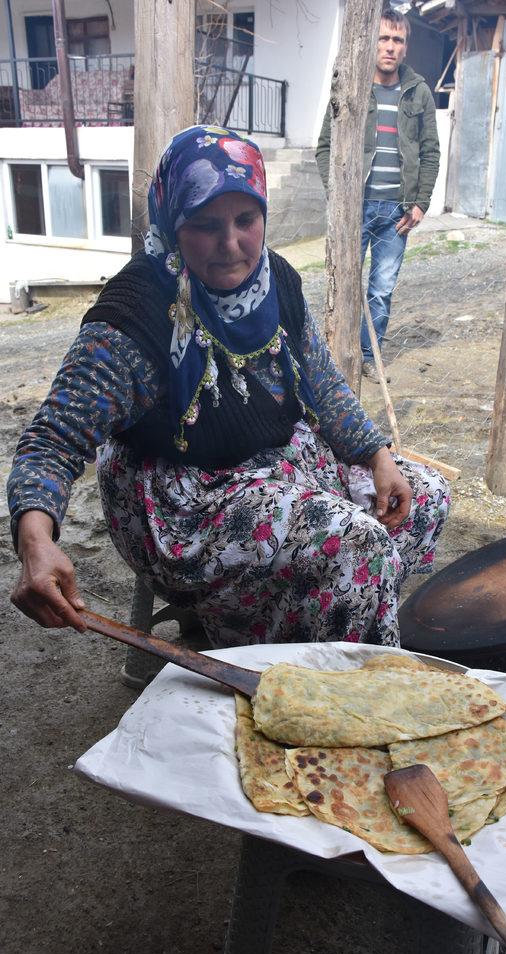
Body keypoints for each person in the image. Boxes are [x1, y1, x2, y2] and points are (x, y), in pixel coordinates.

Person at [8, 124, 450, 651]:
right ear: (173, 223)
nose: (231, 243)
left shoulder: (276, 280)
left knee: (421, 497)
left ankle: (304, 633)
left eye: (246, 220)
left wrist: (377, 456)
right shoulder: (137, 314)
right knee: (353, 543)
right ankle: (324, 683)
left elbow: (323, 381)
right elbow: (51, 441)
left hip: (277, 462)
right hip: (185, 501)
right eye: (204, 224)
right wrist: (35, 541)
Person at [315, 6, 440, 383]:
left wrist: (421, 203)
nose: (389, 47)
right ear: (371, 43)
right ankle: (337, 354)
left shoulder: (418, 92)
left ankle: (369, 356)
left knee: (381, 289)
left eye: (397, 40)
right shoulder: (351, 89)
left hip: (397, 212)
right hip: (355, 209)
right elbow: (325, 147)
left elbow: (431, 151)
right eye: (383, 38)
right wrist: (339, 198)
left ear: (405, 47)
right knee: (344, 282)